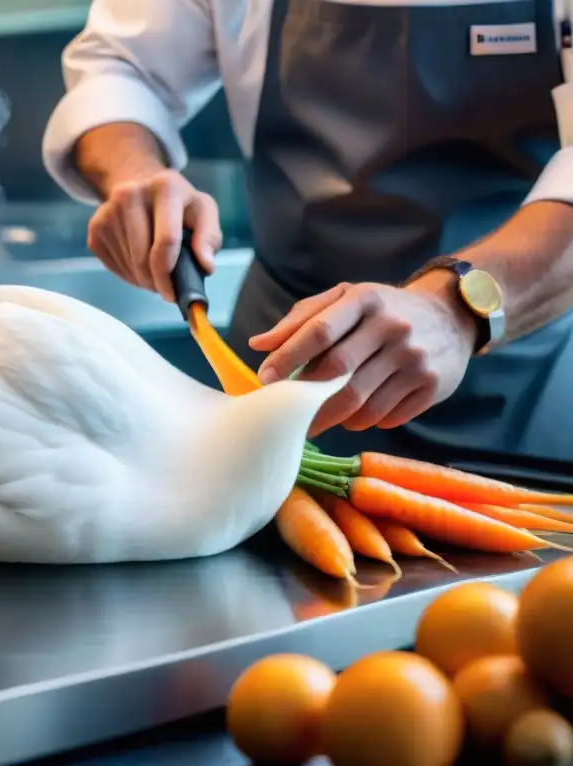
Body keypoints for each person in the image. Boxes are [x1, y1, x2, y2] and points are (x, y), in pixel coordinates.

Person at [41, 0, 573, 461]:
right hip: (282, 374)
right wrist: (133, 171)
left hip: (523, 373)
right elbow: (121, 69)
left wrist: (455, 310)